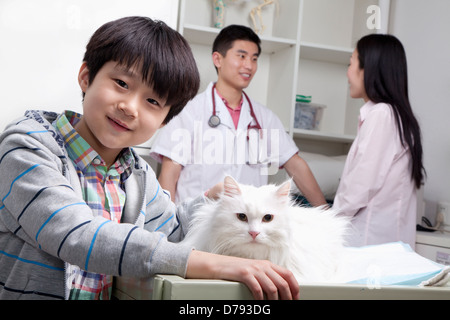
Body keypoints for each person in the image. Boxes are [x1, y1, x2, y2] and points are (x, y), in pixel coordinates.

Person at [0, 16, 299, 300]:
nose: (130, 107)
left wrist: (211, 196)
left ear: (165, 120)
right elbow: (76, 235)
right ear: (86, 76)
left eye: (153, 101)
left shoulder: (135, 174)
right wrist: (219, 265)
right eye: (122, 84)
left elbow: (171, 230)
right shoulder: (27, 147)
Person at [150, 24, 326, 207]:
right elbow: (169, 174)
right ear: (218, 59)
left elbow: (296, 165)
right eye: (241, 56)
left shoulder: (264, 118)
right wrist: (167, 224)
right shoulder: (189, 111)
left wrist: (326, 214)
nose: (249, 65)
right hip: (197, 222)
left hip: (248, 225)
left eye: (254, 58)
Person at [333, 34, 425, 249]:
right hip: (384, 246)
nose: (347, 73)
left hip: (368, 244)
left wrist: (329, 222)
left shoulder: (382, 115)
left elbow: (360, 187)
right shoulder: (397, 116)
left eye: (351, 63)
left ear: (369, 68)